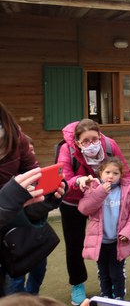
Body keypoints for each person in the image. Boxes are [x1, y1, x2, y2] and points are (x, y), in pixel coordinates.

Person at [57, 118, 130, 305]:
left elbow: (124, 170)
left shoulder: (110, 145)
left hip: (104, 200)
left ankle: (114, 278)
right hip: (73, 201)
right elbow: (63, 179)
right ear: (77, 142)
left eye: (94, 139)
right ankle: (77, 283)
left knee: (107, 238)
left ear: (100, 136)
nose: (91, 144)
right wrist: (78, 181)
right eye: (85, 141)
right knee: (75, 244)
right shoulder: (66, 149)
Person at [0, 102, 65, 297]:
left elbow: (31, 174)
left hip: (8, 243)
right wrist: (7, 201)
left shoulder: (14, 133)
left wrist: (43, 201)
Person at [78, 157, 130, 300]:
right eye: (107, 172)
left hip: (118, 242)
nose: (111, 176)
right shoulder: (93, 188)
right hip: (99, 242)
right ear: (100, 173)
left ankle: (119, 297)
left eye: (115, 173)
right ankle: (105, 296)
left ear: (121, 175)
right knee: (103, 273)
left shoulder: (126, 191)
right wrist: (100, 192)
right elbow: (84, 208)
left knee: (117, 273)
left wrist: (127, 232)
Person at [7, 135, 49, 295]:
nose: (30, 154)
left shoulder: (38, 175)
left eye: (32, 150)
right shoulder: (8, 178)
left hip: (36, 234)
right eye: (26, 151)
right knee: (16, 278)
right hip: (14, 238)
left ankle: (32, 297)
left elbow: (44, 203)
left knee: (39, 269)